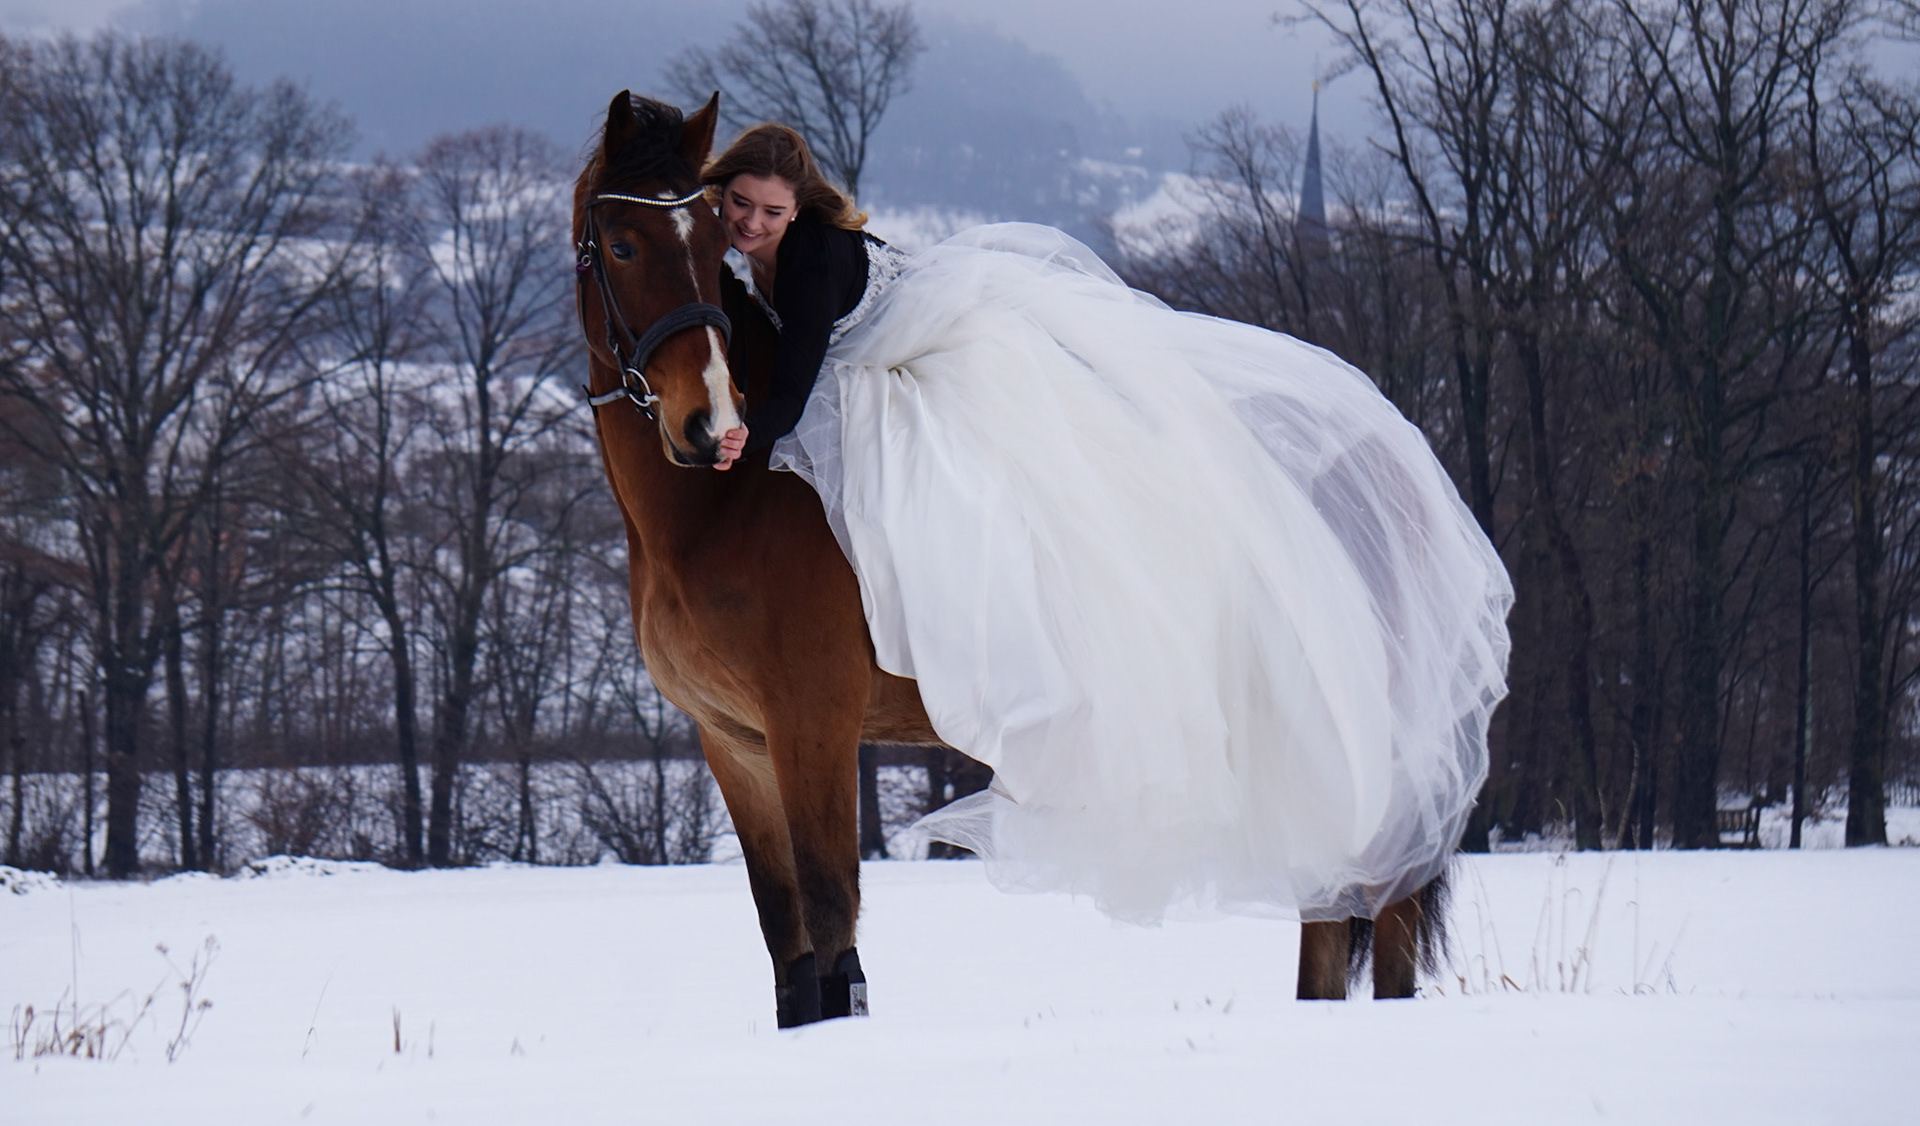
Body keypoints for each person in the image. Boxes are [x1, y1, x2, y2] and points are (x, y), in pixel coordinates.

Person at [700, 124, 1513, 925]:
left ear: (799, 210)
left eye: (771, 211)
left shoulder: (808, 260)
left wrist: (744, 432)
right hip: (884, 366)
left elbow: (795, 387)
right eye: (739, 204)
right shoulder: (736, 246)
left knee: (948, 495)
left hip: (939, 359)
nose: (751, 224)